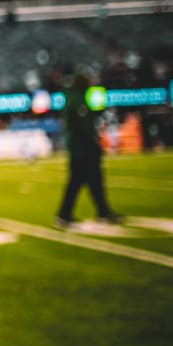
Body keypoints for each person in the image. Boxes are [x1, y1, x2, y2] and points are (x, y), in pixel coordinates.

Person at [54, 66, 121, 229]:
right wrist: (94, 144)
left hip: (79, 149)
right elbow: (83, 127)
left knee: (90, 182)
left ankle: (101, 211)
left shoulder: (71, 98)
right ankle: (66, 214)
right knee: (82, 182)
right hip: (83, 150)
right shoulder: (78, 100)